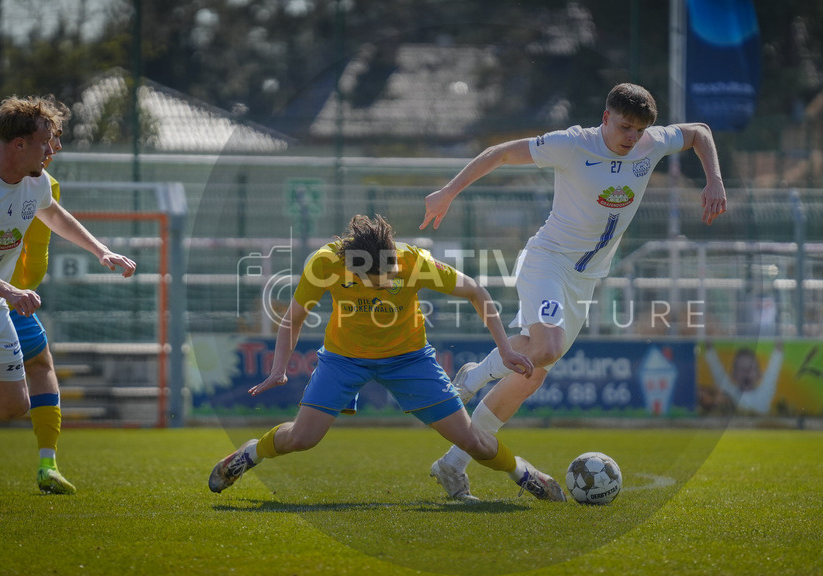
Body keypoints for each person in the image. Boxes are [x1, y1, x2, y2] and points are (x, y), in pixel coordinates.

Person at [420, 82, 728, 498]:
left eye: (639, 130)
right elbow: (501, 153)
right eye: (625, 127)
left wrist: (714, 181)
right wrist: (448, 192)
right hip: (548, 261)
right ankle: (474, 376)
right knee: (545, 348)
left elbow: (700, 132)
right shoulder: (571, 144)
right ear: (606, 118)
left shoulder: (651, 144)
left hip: (585, 280)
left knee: (530, 375)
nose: (632, 137)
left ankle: (453, 464)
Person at [208, 214, 565, 502]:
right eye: (379, 283)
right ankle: (250, 454)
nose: (389, 285)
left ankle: (525, 474)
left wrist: (505, 348)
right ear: (353, 271)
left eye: (391, 278)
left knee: (472, 442)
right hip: (344, 358)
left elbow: (476, 291)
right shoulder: (324, 264)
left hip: (409, 358)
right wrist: (278, 368)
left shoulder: (415, 262)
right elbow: (293, 318)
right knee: (302, 438)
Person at [0, 96, 137, 485]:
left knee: (15, 405)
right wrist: (11, 291)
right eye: (45, 142)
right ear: (18, 144)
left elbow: (55, 215)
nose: (52, 150)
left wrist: (101, 251)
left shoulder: (36, 182)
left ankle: (48, 463)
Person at [702, 341, 784, 415]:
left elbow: (774, 368)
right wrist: (708, 344)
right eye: (741, 368)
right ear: (733, 375)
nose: (746, 372)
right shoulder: (729, 393)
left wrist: (779, 340)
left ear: (759, 375)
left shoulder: (764, 393)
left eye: (751, 368)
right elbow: (716, 370)